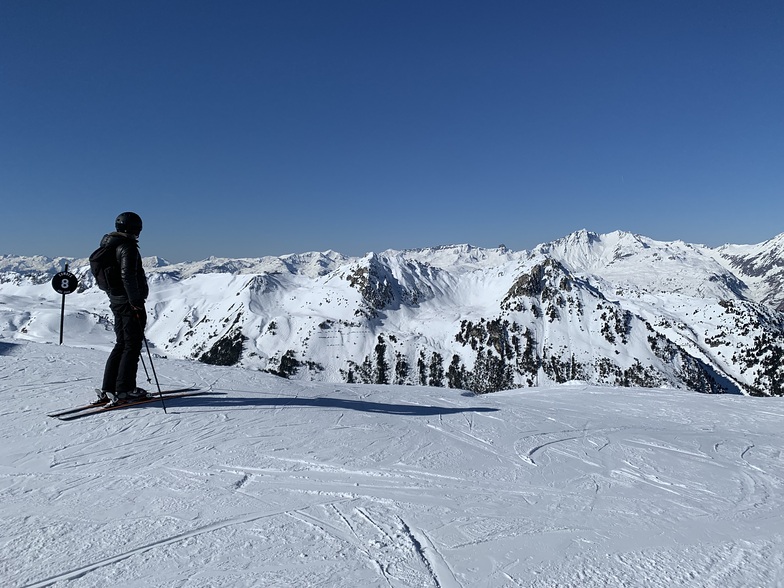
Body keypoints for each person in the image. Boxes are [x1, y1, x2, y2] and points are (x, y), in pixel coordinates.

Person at [97, 212, 150, 405]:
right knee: (132, 345)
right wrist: (135, 302)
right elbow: (128, 275)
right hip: (129, 303)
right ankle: (125, 390)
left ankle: (108, 388)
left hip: (116, 300)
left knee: (121, 344)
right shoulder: (127, 247)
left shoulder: (108, 245)